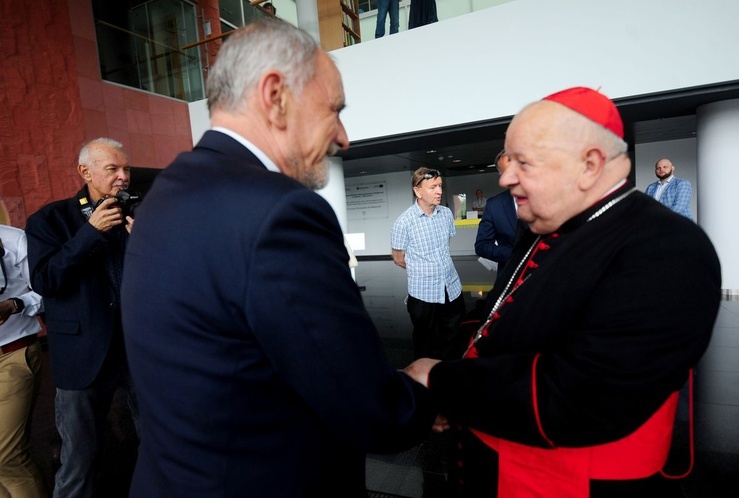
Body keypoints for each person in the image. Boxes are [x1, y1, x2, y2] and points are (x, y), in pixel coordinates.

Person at [120, 19, 436, 498]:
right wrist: (426, 392)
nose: (343, 137)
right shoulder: (279, 212)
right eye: (334, 110)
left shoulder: (167, 192)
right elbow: (366, 408)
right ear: (275, 95)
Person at [404, 87, 721, 497]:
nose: (505, 178)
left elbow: (583, 396)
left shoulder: (669, 247)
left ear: (589, 165)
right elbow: (497, 313)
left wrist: (445, 382)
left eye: (523, 163)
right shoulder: (545, 225)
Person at [25, 138, 139, 498]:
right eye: (112, 169)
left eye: (126, 169)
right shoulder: (49, 219)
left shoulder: (141, 215)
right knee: (79, 461)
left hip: (138, 353)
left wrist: (147, 245)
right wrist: (90, 234)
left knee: (163, 446)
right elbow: (45, 280)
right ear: (85, 172)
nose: (122, 177)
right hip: (82, 355)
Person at [391, 167, 465, 360]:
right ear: (417, 190)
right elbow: (398, 258)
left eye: (440, 186)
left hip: (451, 288)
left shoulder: (447, 214)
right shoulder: (403, 222)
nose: (439, 191)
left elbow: (444, 246)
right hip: (423, 293)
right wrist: (424, 270)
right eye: (432, 187)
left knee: (453, 337)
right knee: (425, 342)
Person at [0, 224, 46, 497]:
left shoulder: (13, 239)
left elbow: (48, 290)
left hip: (13, 355)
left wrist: (14, 304)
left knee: (7, 457)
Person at [474, 153, 519, 270]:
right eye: (505, 173)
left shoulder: (552, 198)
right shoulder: (495, 205)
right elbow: (482, 245)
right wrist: (515, 255)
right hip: (509, 276)